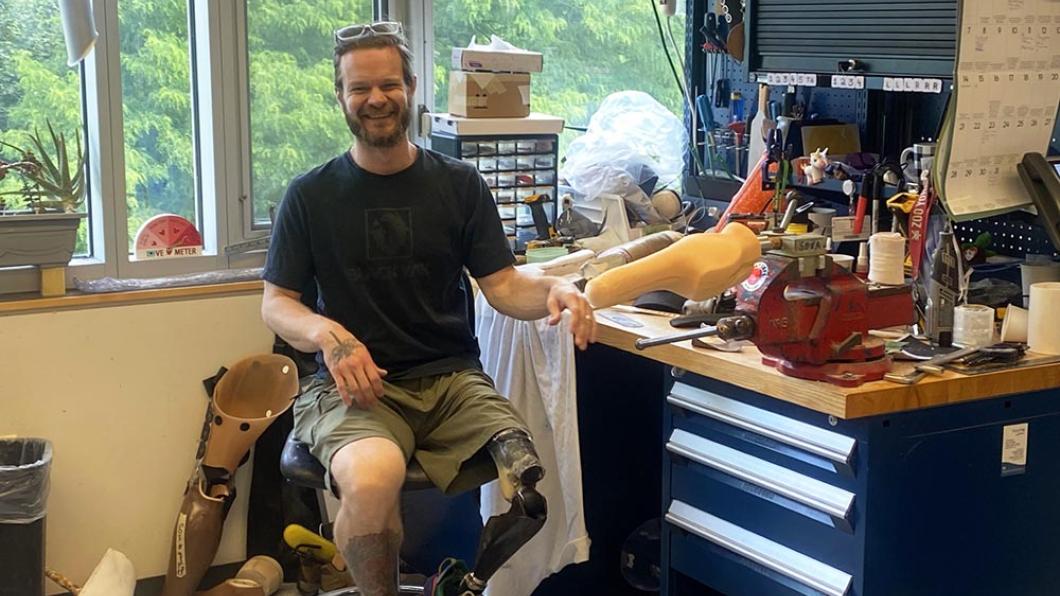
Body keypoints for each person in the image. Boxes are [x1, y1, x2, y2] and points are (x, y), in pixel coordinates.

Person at [260, 21, 597, 596]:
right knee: (373, 484)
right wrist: (329, 335)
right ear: (340, 96)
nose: (376, 100)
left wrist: (556, 291)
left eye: (388, 84)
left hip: (451, 382)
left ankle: (466, 585)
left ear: (411, 87)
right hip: (355, 387)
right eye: (360, 88)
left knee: (530, 480)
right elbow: (277, 305)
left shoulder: (460, 185)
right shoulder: (310, 196)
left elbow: (504, 285)